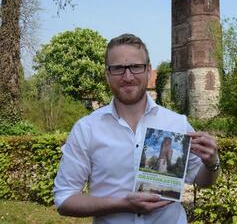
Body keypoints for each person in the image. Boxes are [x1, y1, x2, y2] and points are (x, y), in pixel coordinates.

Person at [53, 33, 220, 224]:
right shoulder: (86, 129)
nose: (127, 76)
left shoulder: (177, 123)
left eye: (135, 67)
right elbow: (64, 199)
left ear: (148, 70)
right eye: (117, 68)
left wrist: (211, 163)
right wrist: (122, 204)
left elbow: (203, 181)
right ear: (107, 74)